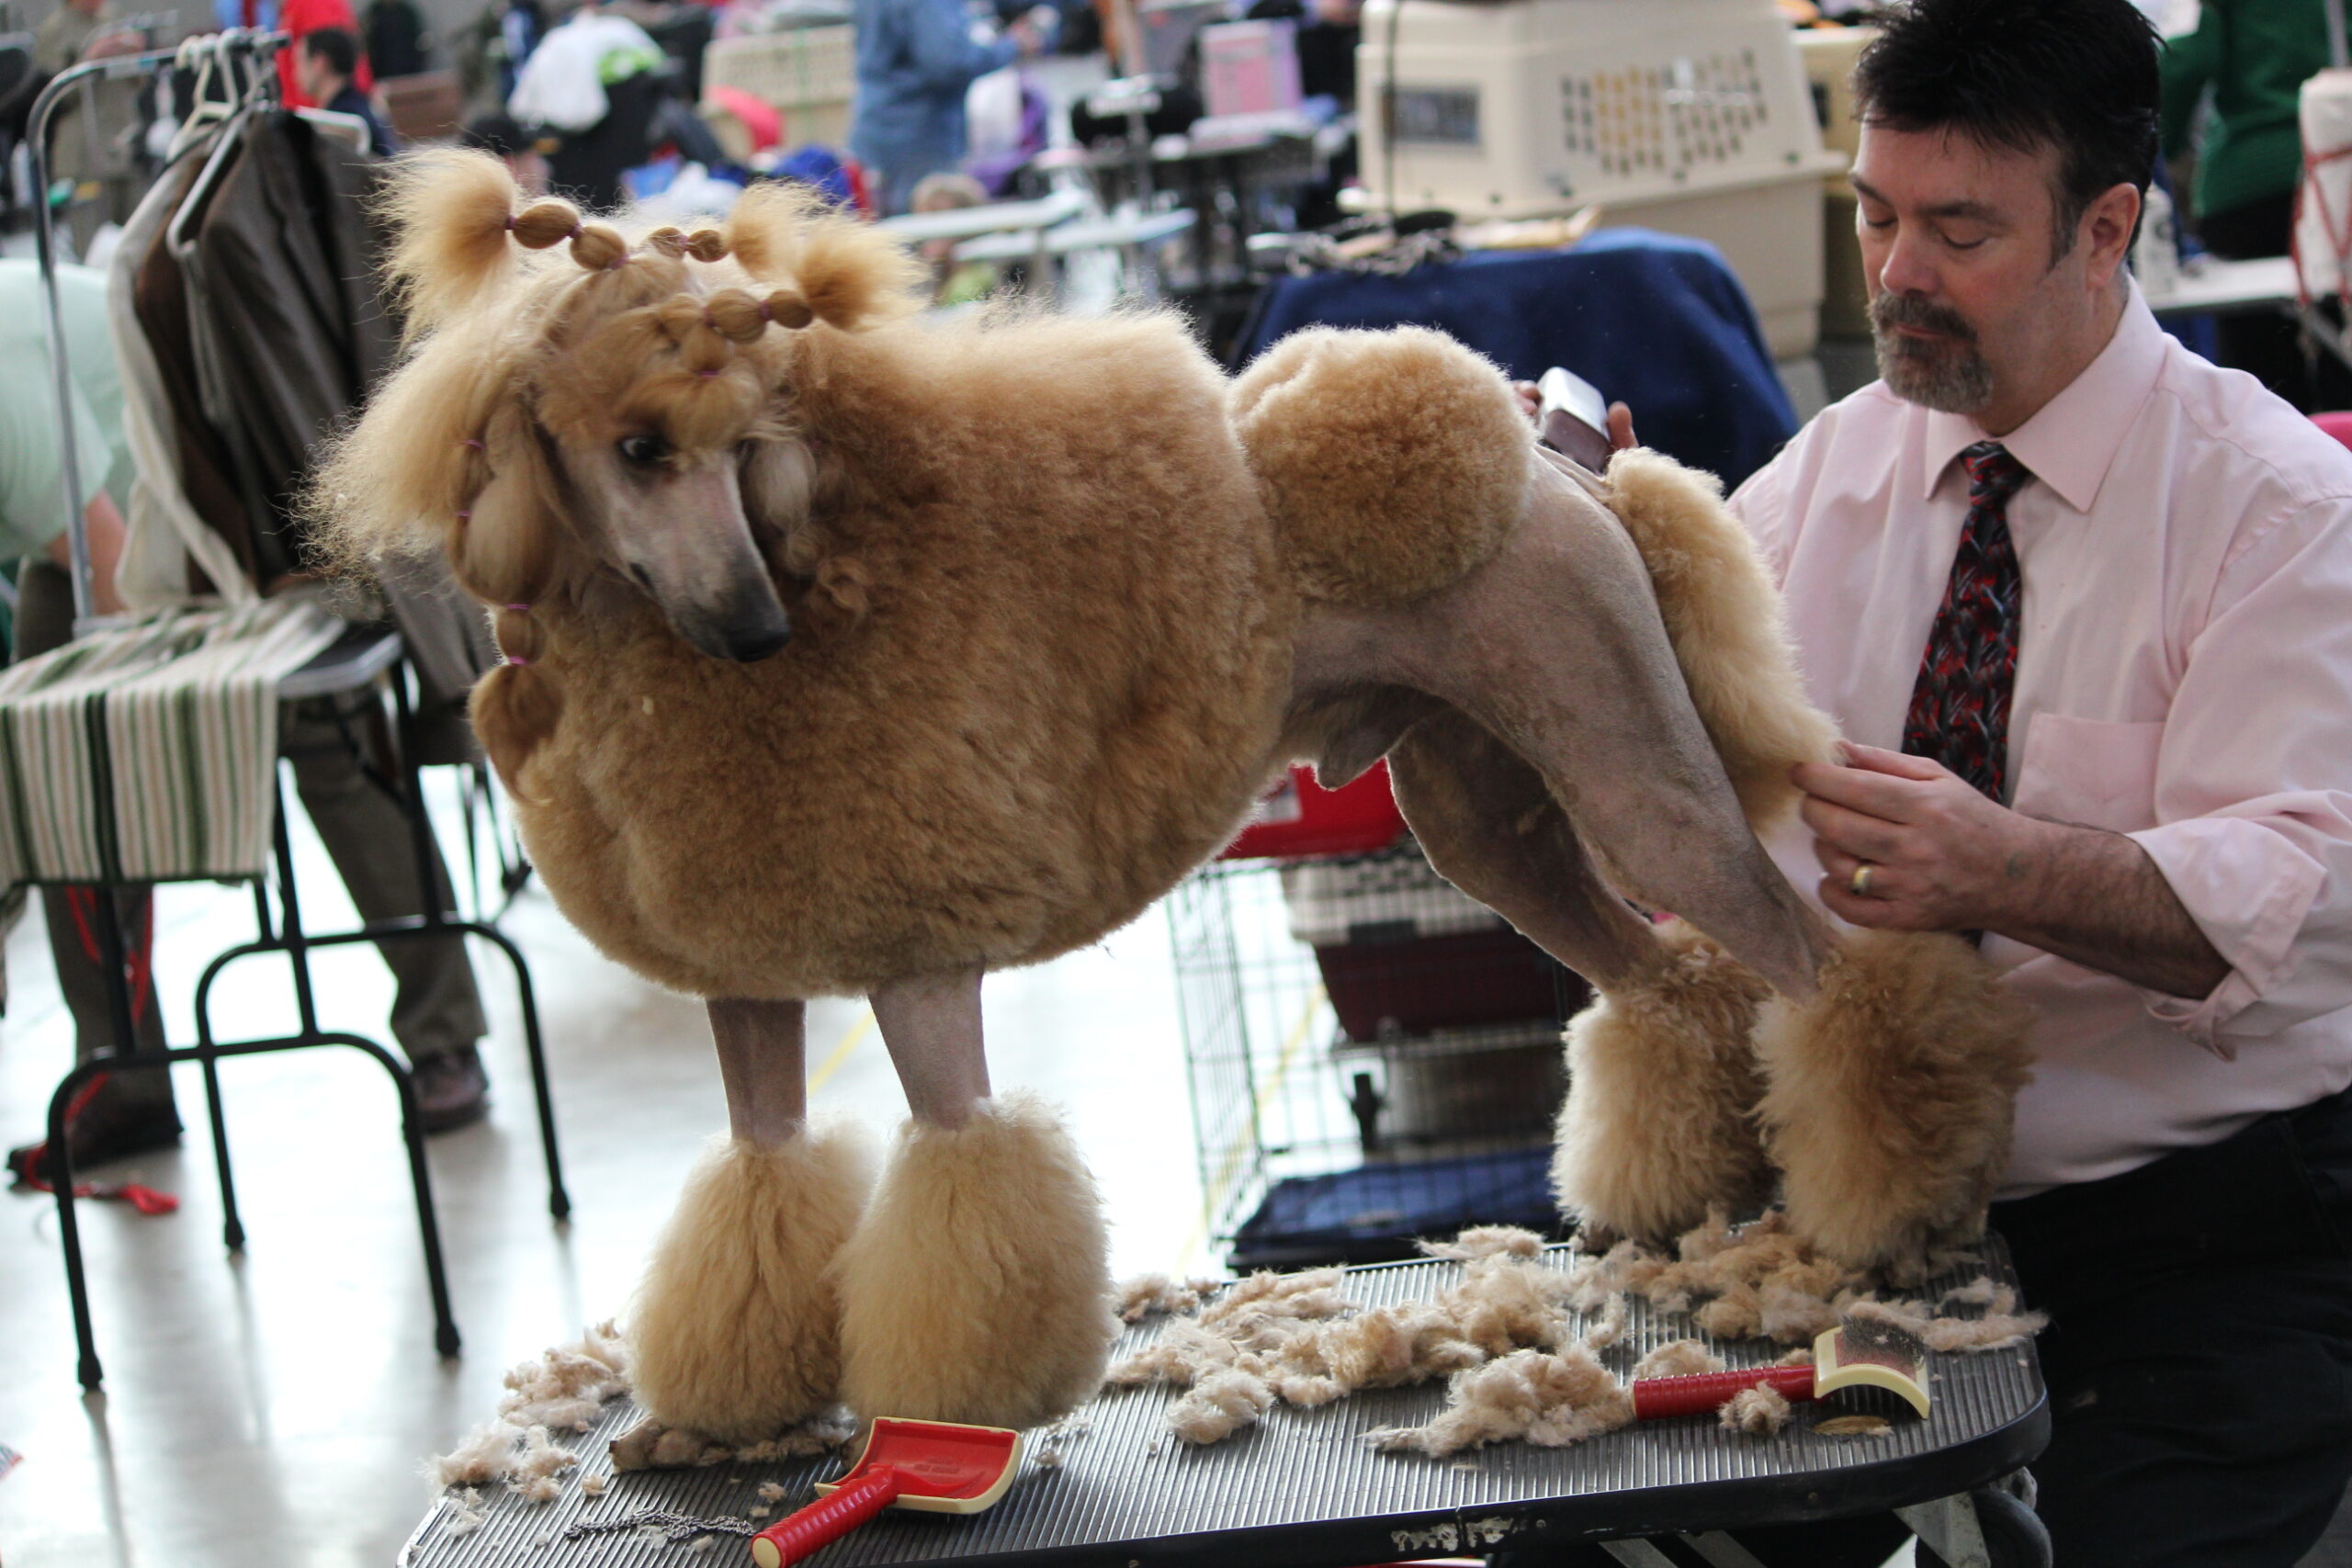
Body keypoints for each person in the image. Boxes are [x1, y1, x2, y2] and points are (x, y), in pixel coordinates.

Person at [1690, 0, 2352, 1561]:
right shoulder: (1822, 481)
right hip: (1860, 1231)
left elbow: (2316, 904)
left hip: (2204, 1237)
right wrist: (1593, 577)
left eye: (1961, 230)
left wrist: (2005, 868)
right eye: (1874, 214)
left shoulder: (2280, 513)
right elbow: (1688, 809)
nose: (1900, 272)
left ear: (2106, 227)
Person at [0, 258, 493, 1178]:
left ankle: (443, 1032)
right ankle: (124, 1078)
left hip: (218, 483)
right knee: (46, 788)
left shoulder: (4, 407)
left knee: (326, 741)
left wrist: (180, 744)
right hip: (81, 523)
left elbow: (117, 579)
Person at [2159, 0, 2339, 408]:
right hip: (2337, 173)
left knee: (2261, 385)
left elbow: (2188, 58)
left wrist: (2142, 151)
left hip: (2248, 184)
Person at [848, 0, 1049, 216]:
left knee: (889, 233)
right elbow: (949, 62)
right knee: (929, 235)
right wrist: (1012, 45)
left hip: (875, 125)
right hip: (921, 135)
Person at [297, 26, 396, 157]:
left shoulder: (342, 121)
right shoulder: (358, 105)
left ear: (320, 63)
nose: (295, 73)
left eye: (299, 62)